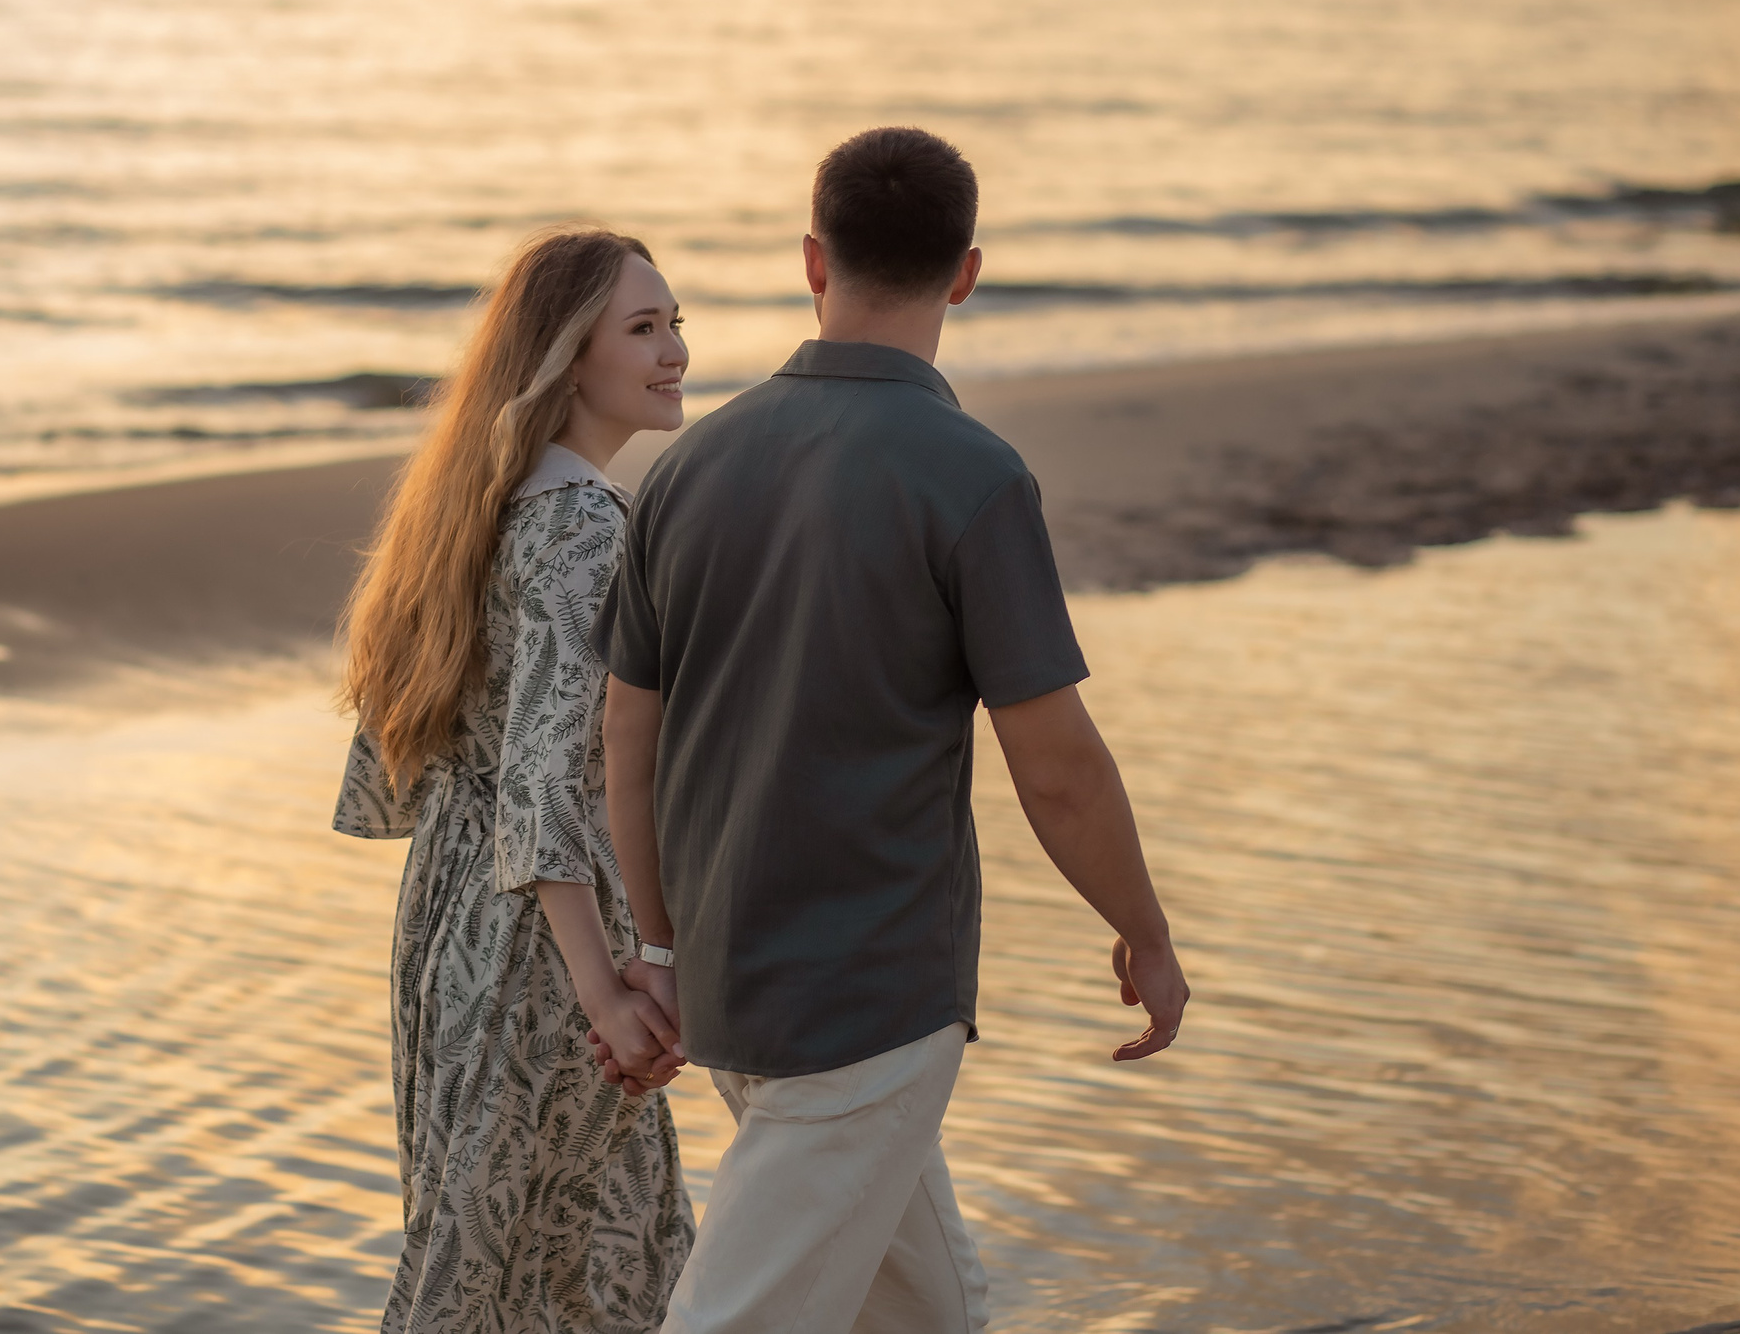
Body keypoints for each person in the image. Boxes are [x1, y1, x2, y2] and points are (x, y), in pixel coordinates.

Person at [590, 127, 1191, 1334]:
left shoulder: (688, 467)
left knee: (921, 1313)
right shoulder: (971, 476)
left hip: (734, 987)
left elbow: (628, 747)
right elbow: (1057, 768)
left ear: (814, 259)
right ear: (964, 273)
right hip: (868, 1004)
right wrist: (1143, 931)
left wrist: (659, 947)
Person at [333, 223, 698, 1333]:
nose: (674, 348)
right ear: (564, 359)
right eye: (641, 328)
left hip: (451, 921)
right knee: (571, 1271)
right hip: (545, 946)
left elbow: (419, 757)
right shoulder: (585, 524)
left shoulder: (473, 506)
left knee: (496, 1251)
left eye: (676, 321)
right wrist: (608, 989)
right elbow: (546, 782)